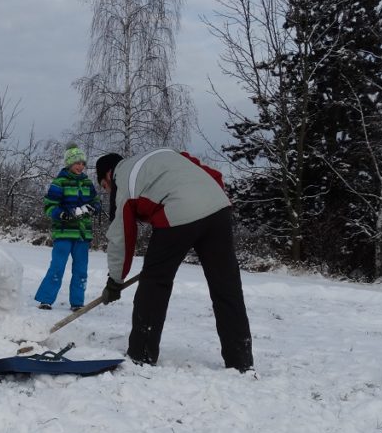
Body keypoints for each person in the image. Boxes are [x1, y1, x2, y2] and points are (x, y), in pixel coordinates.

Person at [94, 149, 253, 372]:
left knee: (154, 282)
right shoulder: (163, 154)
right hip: (218, 206)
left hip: (178, 209)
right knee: (226, 287)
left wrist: (115, 281)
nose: (107, 191)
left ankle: (141, 355)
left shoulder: (124, 180)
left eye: (104, 186)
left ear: (108, 175)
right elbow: (212, 174)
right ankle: (241, 361)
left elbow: (121, 236)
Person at [34, 145, 102, 311]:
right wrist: (63, 214)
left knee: (81, 270)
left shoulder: (87, 183)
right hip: (64, 233)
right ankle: (46, 299)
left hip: (82, 234)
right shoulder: (59, 182)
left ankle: (77, 303)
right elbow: (49, 206)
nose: (80, 166)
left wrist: (93, 208)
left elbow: (96, 201)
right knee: (57, 267)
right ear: (69, 164)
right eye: (77, 163)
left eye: (82, 163)